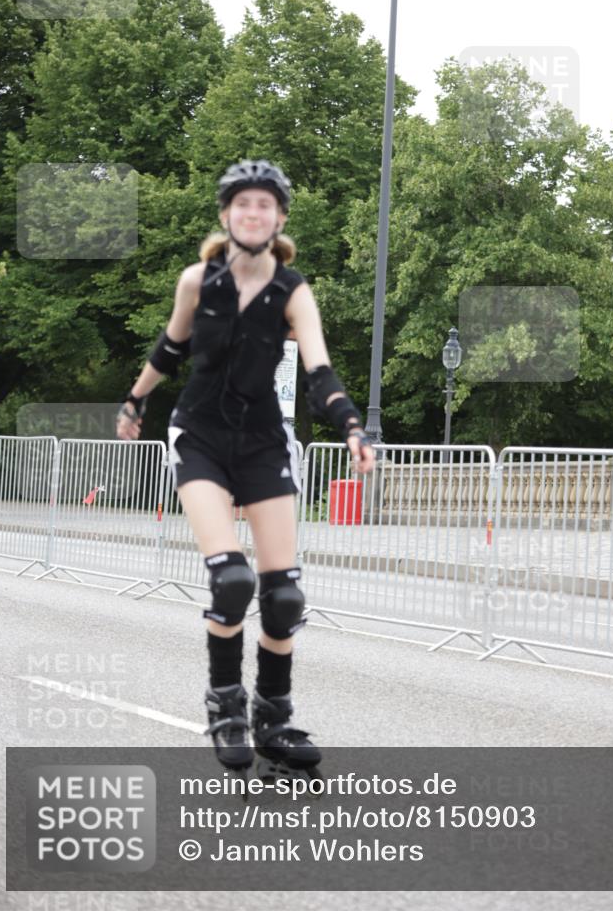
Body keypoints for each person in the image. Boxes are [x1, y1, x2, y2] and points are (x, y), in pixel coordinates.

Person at [116, 160, 375, 770]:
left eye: (265, 204)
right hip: (200, 435)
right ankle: (225, 706)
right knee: (232, 581)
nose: (253, 212)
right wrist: (134, 400)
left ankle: (273, 718)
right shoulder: (196, 281)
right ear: (226, 214)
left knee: (283, 597)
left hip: (261, 441)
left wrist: (351, 426)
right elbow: (170, 347)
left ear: (279, 218)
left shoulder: (293, 290)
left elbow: (319, 372)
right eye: (243, 203)